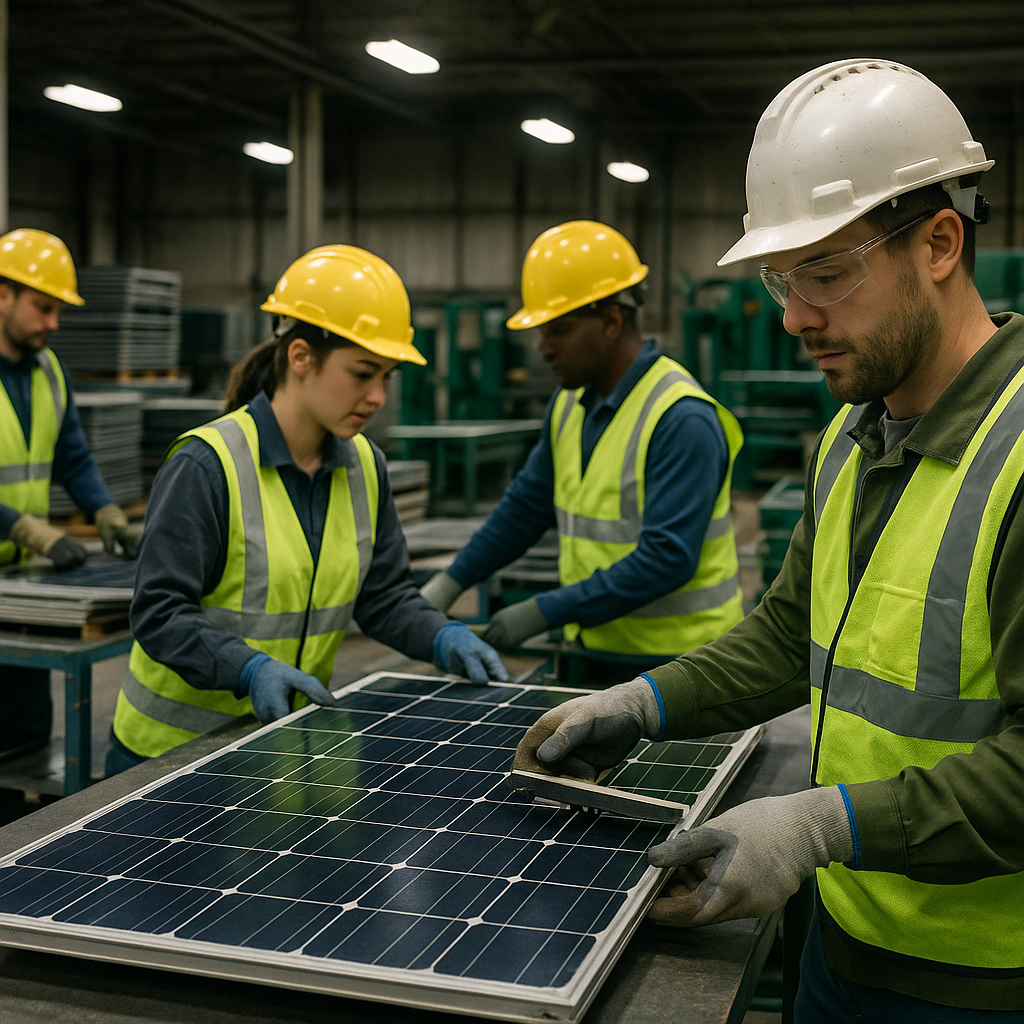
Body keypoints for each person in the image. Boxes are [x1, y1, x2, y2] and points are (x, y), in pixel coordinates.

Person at [512, 58, 1024, 1021]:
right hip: (838, 936)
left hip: (983, 986)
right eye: (782, 282)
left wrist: (822, 824)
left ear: (941, 242)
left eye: (825, 273)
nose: (794, 318)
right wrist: (646, 701)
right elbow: (793, 635)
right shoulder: (851, 436)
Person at [107, 244, 507, 774]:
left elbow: (383, 597)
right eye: (363, 373)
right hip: (168, 759)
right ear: (300, 357)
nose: (379, 396)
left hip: (279, 749)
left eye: (386, 376)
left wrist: (438, 633)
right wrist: (248, 669)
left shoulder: (366, 465)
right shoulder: (208, 465)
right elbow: (159, 613)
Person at [421, 220, 745, 681]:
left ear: (611, 321)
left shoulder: (681, 418)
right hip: (592, 651)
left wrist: (540, 611)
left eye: (559, 330)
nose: (543, 348)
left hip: (683, 669)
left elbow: (667, 558)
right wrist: (449, 583)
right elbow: (525, 508)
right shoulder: (570, 403)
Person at [0, 228, 141, 761]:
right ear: (2, 295)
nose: (53, 323)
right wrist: (25, 527)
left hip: (19, 591)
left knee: (24, 735)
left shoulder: (49, 373)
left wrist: (106, 514)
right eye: (42, 307)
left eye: (58, 310)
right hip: (18, 562)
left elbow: (73, 456)